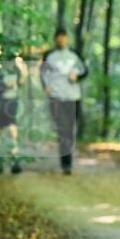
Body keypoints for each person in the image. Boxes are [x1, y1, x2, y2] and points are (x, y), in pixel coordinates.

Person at [40, 29, 88, 174]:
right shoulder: (49, 55)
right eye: (58, 38)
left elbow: (85, 71)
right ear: (55, 39)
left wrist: (77, 77)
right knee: (62, 129)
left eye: (63, 37)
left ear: (67, 39)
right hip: (56, 97)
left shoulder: (75, 54)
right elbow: (43, 73)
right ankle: (66, 163)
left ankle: (68, 159)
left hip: (73, 97)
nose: (61, 40)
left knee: (70, 130)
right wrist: (46, 86)